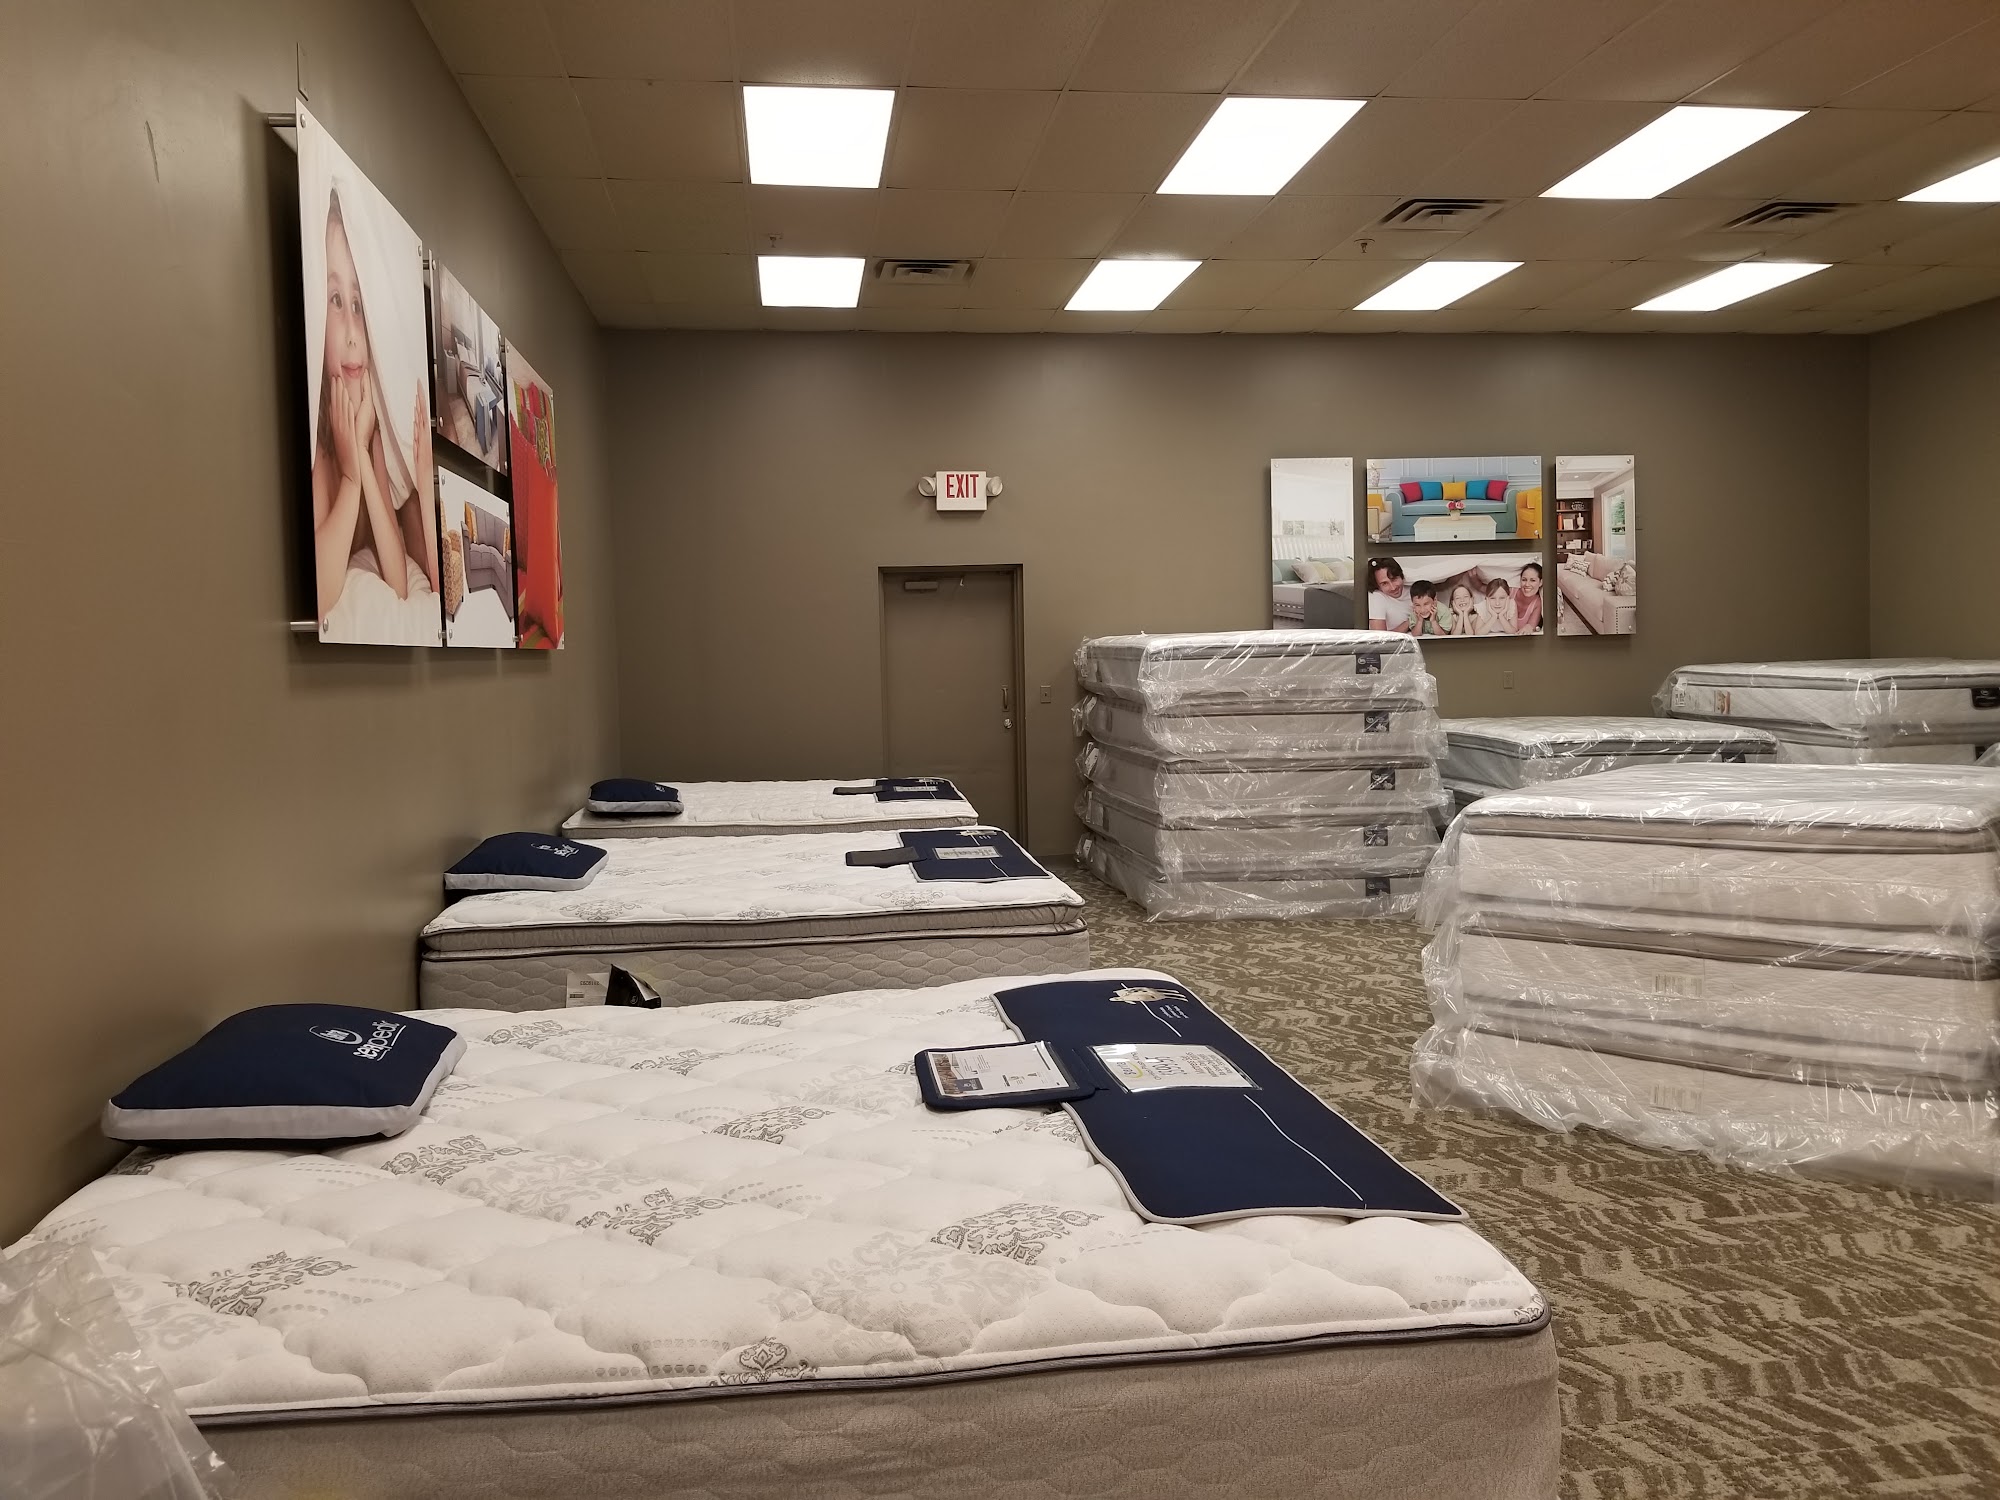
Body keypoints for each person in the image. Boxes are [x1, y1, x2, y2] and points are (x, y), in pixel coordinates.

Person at [310, 192, 437, 626]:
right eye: (335, 300)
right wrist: (350, 479)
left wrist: (363, 454)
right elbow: (319, 593)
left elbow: (398, 582)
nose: (352, 332)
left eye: (358, 305)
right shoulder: (319, 446)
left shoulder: (370, 426)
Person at [1367, 557, 1413, 633]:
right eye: (1384, 583)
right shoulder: (1376, 597)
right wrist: (1411, 621)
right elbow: (1379, 636)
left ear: (1401, 576)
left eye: (1394, 579)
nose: (1393, 587)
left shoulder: (1414, 588)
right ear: (1377, 586)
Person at [1514, 561, 1544, 634]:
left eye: (1532, 580)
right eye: (1524, 580)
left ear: (1540, 582)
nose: (1527, 584)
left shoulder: (1538, 603)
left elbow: (1530, 627)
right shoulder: (1510, 592)